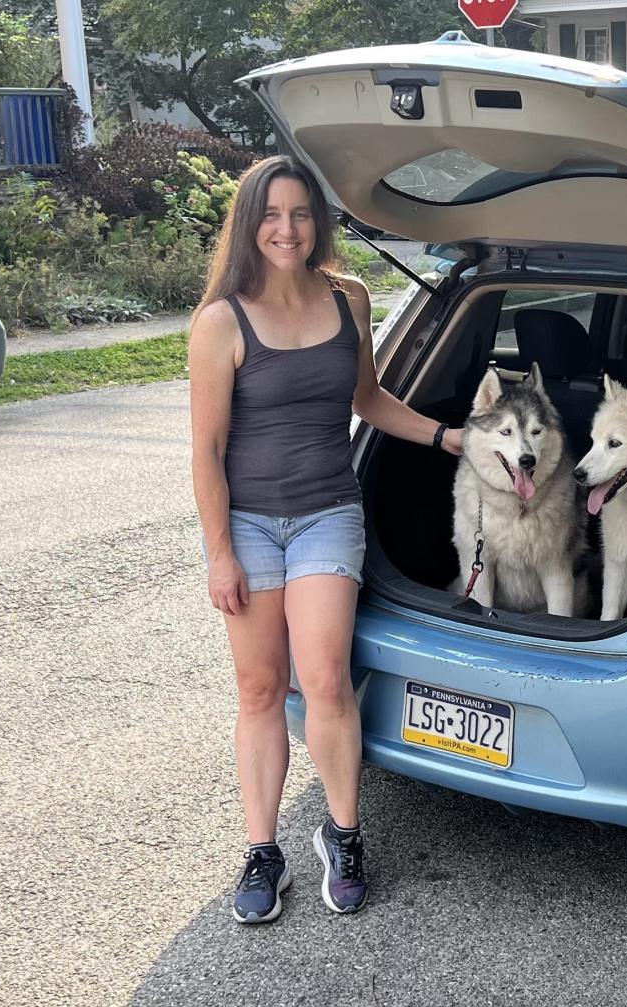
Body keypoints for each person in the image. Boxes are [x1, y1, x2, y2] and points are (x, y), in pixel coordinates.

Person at [188, 155, 462, 924]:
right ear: (250, 224)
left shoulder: (350, 298)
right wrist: (220, 553)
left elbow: (367, 397)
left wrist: (445, 437)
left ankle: (343, 833)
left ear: (319, 222)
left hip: (326, 514)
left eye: (301, 213)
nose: (287, 229)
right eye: (272, 215)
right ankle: (262, 849)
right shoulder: (221, 321)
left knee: (328, 678)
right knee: (260, 688)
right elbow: (207, 451)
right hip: (247, 522)